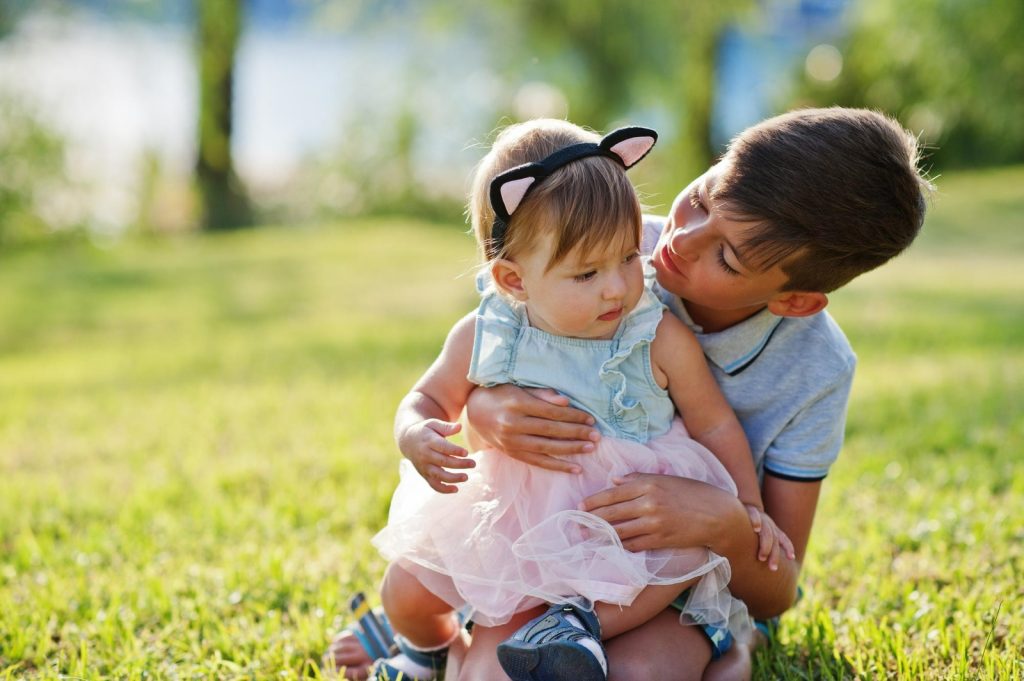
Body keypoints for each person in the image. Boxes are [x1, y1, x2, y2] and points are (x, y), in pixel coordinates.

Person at [325, 107, 932, 680]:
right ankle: (430, 636)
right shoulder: (605, 233)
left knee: (640, 673)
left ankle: (725, 643)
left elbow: (779, 585)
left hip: (679, 571)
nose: (678, 240)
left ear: (794, 300)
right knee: (491, 670)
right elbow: (495, 347)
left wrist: (727, 521)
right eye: (699, 198)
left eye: (724, 255)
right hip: (541, 538)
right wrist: (485, 410)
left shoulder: (815, 368)